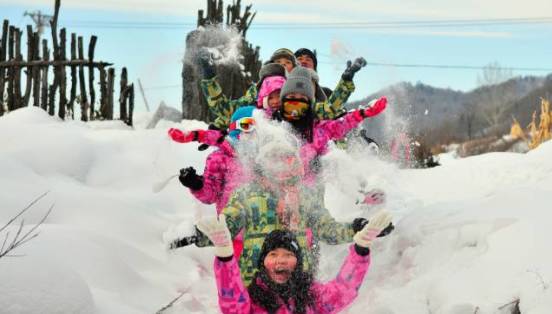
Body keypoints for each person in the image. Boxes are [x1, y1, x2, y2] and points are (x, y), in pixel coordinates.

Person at [196, 209, 393, 314]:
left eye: (288, 255)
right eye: (272, 255)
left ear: (298, 262)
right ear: (263, 263)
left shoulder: (311, 295)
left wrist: (361, 249)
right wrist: (225, 256)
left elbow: (343, 291)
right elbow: (231, 302)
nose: (280, 260)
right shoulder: (252, 300)